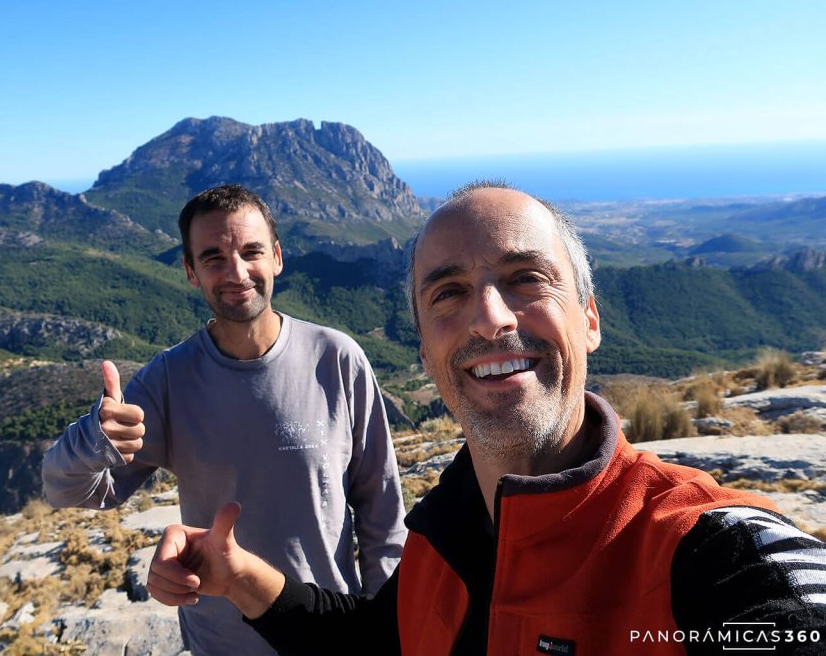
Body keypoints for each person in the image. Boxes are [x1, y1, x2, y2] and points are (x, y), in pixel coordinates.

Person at [145, 181, 826, 655]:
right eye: (449, 292)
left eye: (526, 278)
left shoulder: (707, 554)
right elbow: (372, 644)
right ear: (424, 346)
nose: (490, 317)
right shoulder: (452, 531)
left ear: (589, 319)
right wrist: (236, 576)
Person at [42, 184, 407, 656]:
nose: (236, 272)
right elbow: (61, 489)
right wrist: (93, 439)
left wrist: (391, 627)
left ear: (277, 257)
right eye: (213, 258)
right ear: (191, 272)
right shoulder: (169, 379)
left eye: (251, 251)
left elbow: (382, 511)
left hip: (331, 633)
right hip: (224, 644)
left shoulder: (337, 359)